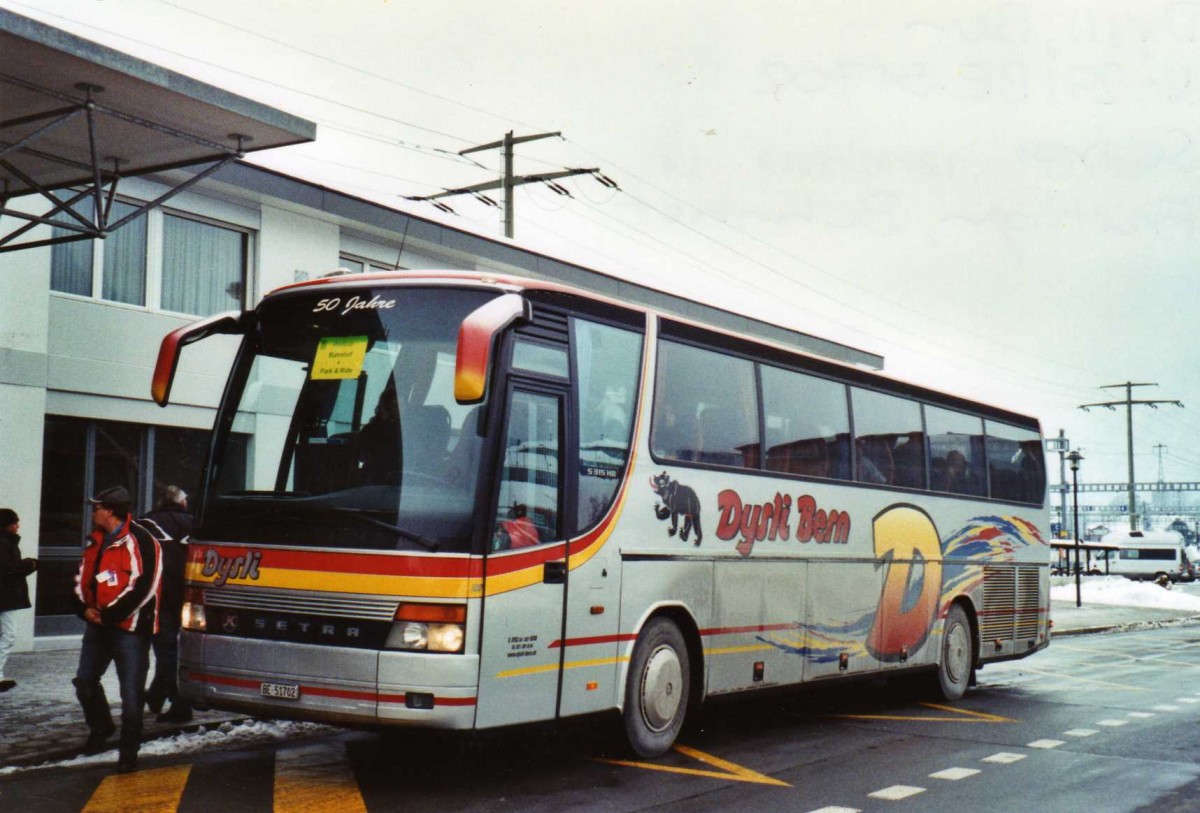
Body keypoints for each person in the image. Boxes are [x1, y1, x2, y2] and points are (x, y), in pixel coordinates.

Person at [73, 486, 162, 773]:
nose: (93, 511)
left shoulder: (142, 540)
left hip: (130, 630)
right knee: (85, 682)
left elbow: (145, 586)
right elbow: (82, 577)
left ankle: (128, 752)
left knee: (131, 695)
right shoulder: (95, 540)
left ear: (109, 510)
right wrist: (83, 607)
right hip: (99, 626)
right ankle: (101, 728)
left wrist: (109, 615)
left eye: (96, 507)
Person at [138, 486, 193, 723]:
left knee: (165, 649)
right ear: (182, 503)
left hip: (157, 595)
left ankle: (175, 701)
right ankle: (163, 696)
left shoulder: (145, 523)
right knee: (173, 650)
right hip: (189, 593)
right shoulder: (195, 523)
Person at [0, 508, 37, 693]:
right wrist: (30, 564)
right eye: (14, 523)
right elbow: (9, 570)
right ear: (7, 526)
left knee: (6, 634)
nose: (18, 526)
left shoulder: (7, 542)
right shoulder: (4, 544)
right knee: (9, 634)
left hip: (4, 598)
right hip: (5, 598)